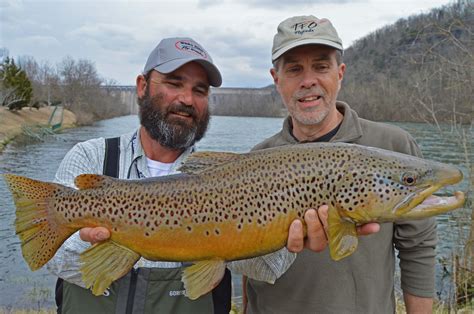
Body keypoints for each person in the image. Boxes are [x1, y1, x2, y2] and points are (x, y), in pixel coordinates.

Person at [46, 36, 346, 314]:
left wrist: (278, 232)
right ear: (142, 86)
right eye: (174, 83)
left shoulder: (226, 178)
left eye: (199, 90)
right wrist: (102, 246)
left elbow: (269, 268)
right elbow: (56, 260)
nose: (187, 99)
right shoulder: (91, 157)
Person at [231, 15, 437, 314]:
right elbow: (248, 266)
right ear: (277, 80)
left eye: (321, 66)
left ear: (340, 74)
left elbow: (418, 248)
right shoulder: (256, 161)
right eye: (294, 69)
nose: (308, 80)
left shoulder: (394, 147)